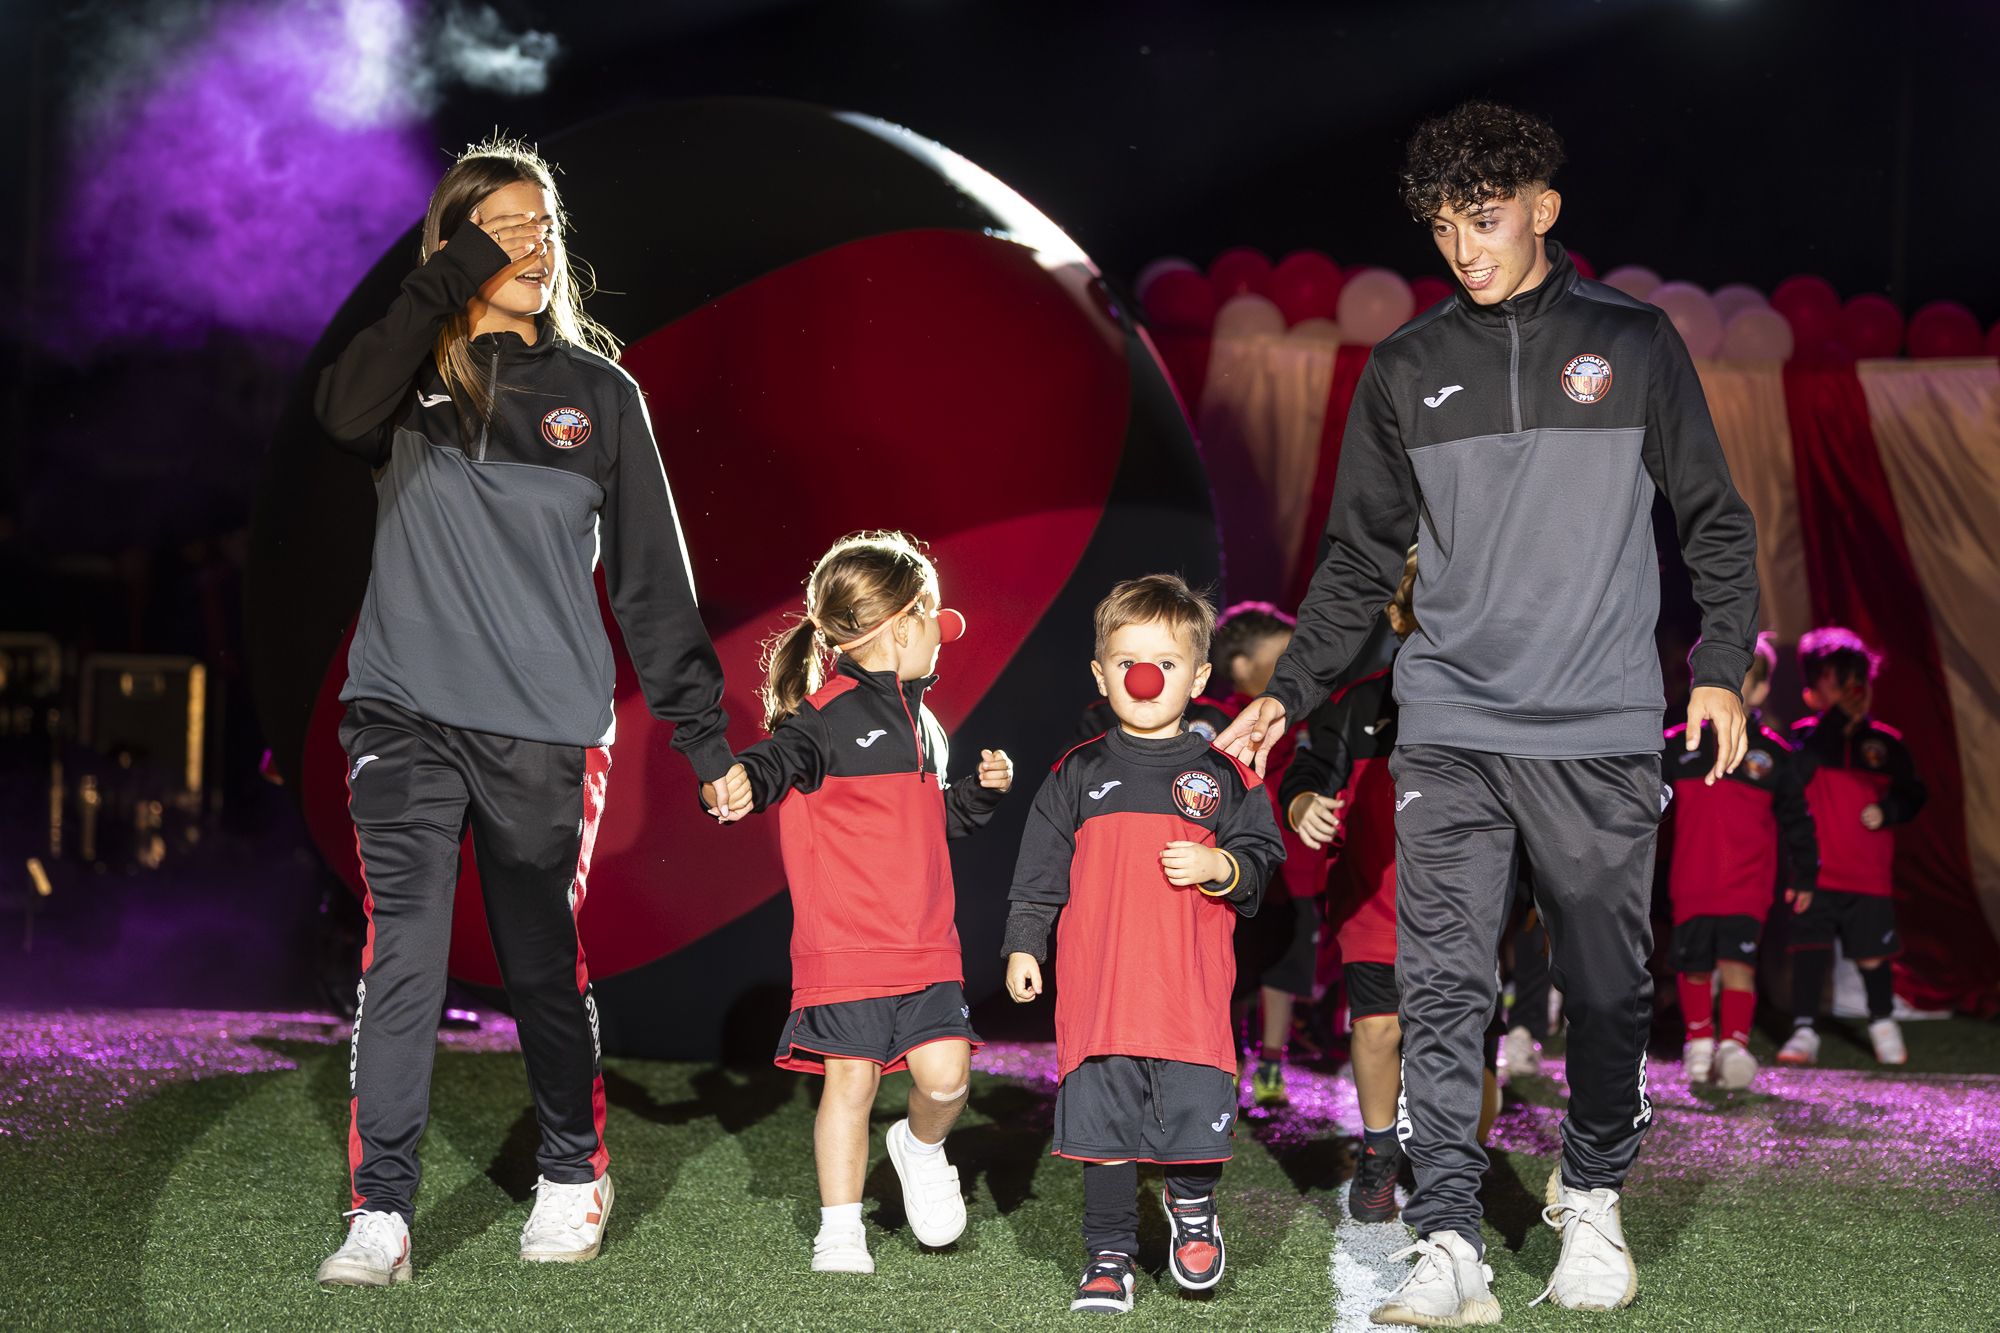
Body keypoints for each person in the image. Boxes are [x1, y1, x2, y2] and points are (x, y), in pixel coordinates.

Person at [1216, 101, 1759, 1323]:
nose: (1466, 246)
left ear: (1542, 208)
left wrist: (1718, 660)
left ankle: (1592, 1193)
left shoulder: (1634, 342)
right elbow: (1359, 565)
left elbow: (1712, 521)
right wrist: (1286, 697)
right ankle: (1446, 1237)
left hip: (1602, 727)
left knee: (1611, 989)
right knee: (1443, 986)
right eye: (1446, 224)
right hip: (1450, 726)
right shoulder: (1406, 368)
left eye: (1488, 216)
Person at [312, 138, 748, 1287]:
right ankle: (381, 1211)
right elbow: (338, 409)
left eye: (542, 225)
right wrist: (443, 282)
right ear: (453, 247)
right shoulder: (408, 378)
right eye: (502, 228)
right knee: (401, 952)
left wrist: (703, 738)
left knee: (536, 959)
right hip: (401, 714)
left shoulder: (602, 396)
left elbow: (652, 584)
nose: (532, 245)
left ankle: (570, 1166)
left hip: (545, 729)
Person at [707, 531, 1012, 1274]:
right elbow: (780, 760)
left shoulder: (927, 723)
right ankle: (839, 1228)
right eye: (935, 624)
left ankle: (918, 1145)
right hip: (846, 946)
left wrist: (976, 794)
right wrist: (745, 779)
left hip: (928, 946)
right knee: (851, 1081)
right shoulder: (825, 714)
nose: (942, 642)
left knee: (946, 1078)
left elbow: (932, 822)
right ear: (902, 627)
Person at [1002, 576, 1285, 1315]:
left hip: (1187, 994)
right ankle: (1108, 1254)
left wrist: (1221, 866)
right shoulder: (1076, 771)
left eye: (1164, 660)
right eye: (1126, 660)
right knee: (1104, 1131)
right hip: (1101, 995)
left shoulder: (1224, 772)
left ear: (1197, 675)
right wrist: (1025, 944)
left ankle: (1193, 1213)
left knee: (1192, 1115)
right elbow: (1039, 870)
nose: (1144, 675)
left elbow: (1261, 854)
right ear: (1101, 675)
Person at [1662, 634, 1818, 1089]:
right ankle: (1699, 1044)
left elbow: (1798, 822)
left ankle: (1733, 1046)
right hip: (1690, 882)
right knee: (1693, 966)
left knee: (1738, 966)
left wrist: (1806, 874)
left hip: (1748, 886)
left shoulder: (1774, 755)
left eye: (1739, 679)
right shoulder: (1677, 746)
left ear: (1760, 690)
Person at [1780, 627, 1926, 1068]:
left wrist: (1889, 810)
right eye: (1835, 680)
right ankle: (1804, 1029)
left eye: (1854, 678)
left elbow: (1915, 794)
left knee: (1873, 954)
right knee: (1809, 952)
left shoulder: (1886, 742)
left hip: (1868, 876)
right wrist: (1836, 724)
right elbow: (1794, 780)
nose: (1848, 689)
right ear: (1812, 689)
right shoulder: (1804, 736)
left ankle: (1882, 1023)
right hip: (1815, 875)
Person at [1213, 602, 1327, 1109]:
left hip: (1297, 871)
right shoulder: (1217, 722)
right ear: (1240, 667)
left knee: (1286, 966)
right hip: (1238, 869)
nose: (1291, 672)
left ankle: (1273, 1063)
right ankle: (1224, 1061)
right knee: (1232, 971)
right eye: (1281, 660)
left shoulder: (1304, 719)